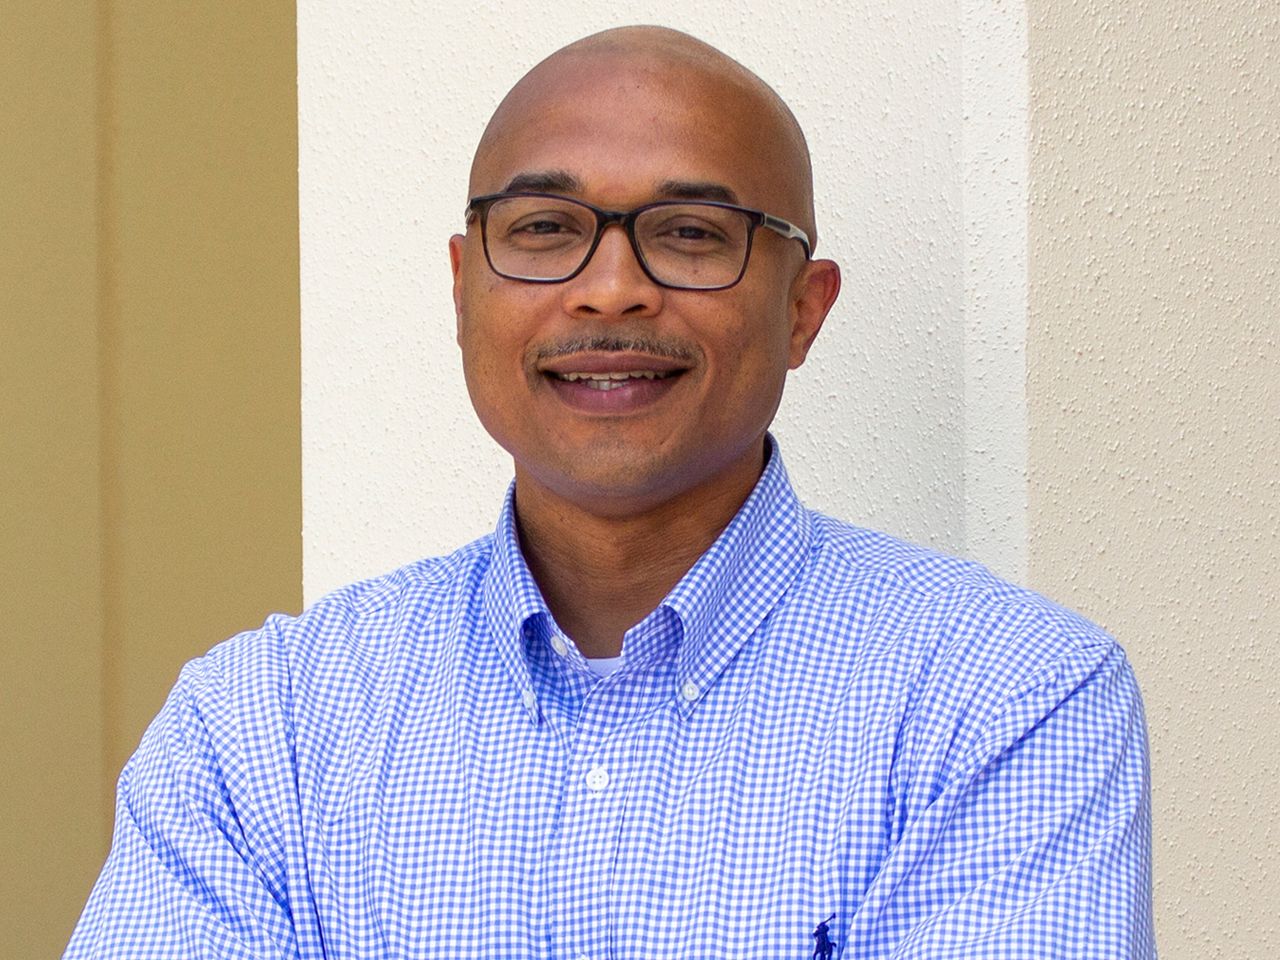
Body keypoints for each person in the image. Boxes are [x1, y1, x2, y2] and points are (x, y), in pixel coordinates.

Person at [66, 25, 1155, 960]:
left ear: (801, 311)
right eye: (542, 229)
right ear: (463, 289)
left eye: (690, 234)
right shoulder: (265, 727)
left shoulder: (1006, 702)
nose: (608, 288)